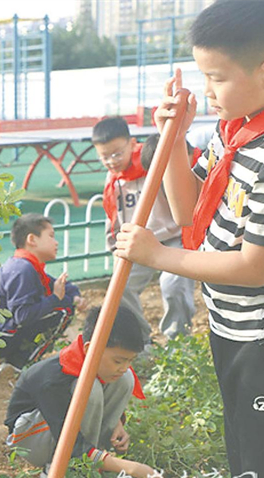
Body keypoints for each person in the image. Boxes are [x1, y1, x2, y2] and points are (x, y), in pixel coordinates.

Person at [115, 1, 264, 478]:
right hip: (232, 326)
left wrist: (159, 256)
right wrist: (175, 137)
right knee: (247, 451)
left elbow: (255, 267)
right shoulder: (236, 130)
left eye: (216, 78)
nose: (207, 92)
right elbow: (190, 210)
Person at [5, 306, 157, 478]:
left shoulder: (89, 364)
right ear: (90, 349)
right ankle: (63, 467)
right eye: (118, 361)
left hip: (63, 429)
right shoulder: (52, 381)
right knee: (87, 388)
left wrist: (116, 423)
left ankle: (93, 457)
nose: (123, 366)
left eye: (130, 360)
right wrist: (131, 468)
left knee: (126, 378)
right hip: (31, 439)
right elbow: (66, 436)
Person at [92, 117, 195, 346]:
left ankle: (177, 342)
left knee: (174, 284)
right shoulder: (113, 179)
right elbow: (113, 215)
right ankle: (141, 342)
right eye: (104, 157)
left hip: (174, 238)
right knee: (121, 287)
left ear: (131, 143)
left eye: (117, 153)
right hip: (140, 241)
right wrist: (115, 247)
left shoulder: (153, 159)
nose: (111, 161)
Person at [0, 214, 85, 370]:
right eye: (51, 236)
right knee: (64, 309)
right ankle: (20, 363)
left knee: (62, 301)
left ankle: (10, 357)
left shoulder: (25, 265)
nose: (56, 242)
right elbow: (22, 315)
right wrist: (55, 298)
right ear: (32, 239)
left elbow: (63, 286)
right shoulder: (22, 269)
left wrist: (75, 295)